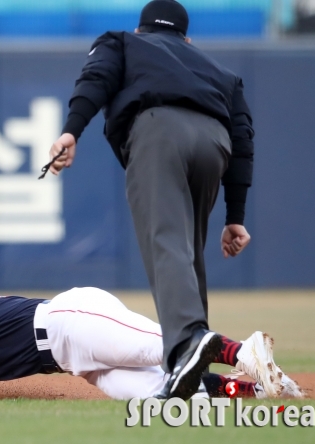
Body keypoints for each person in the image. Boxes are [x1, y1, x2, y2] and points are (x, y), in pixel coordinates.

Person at [46, 0, 255, 399]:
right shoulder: (223, 74)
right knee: (187, 254)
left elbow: (97, 78)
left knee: (166, 244)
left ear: (142, 31)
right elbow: (243, 141)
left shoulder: (123, 41)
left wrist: (72, 130)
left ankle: (188, 345)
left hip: (159, 133)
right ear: (188, 39)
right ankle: (189, 370)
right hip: (216, 143)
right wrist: (236, 216)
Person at [0, 264, 302, 400]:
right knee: (159, 393)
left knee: (165, 348)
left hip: (68, 320)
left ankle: (245, 349)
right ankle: (255, 390)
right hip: (72, 359)